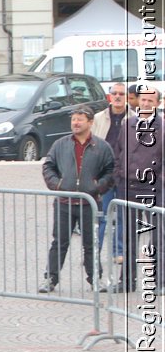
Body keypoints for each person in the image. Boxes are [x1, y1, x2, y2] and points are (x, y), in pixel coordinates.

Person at [39, 105, 116, 293]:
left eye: (80, 119)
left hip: (90, 203)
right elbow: (48, 166)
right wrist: (57, 184)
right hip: (64, 202)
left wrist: (98, 187)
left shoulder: (102, 146)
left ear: (90, 122)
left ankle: (95, 279)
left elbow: (111, 170)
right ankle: (50, 278)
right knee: (59, 242)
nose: (76, 123)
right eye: (74, 119)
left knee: (91, 243)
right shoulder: (60, 144)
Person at [113, 85, 164, 293]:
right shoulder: (128, 124)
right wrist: (119, 175)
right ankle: (126, 280)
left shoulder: (163, 128)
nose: (145, 104)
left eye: (150, 101)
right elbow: (118, 152)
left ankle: (160, 279)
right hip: (129, 186)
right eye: (143, 100)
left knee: (158, 235)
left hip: (153, 188)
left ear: (158, 104)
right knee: (128, 237)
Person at [92, 82, 128, 265]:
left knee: (122, 215)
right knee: (101, 214)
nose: (118, 96)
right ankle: (93, 251)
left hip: (124, 175)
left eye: (122, 93)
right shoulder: (99, 118)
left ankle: (119, 251)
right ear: (109, 96)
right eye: (115, 93)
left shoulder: (133, 119)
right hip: (104, 174)